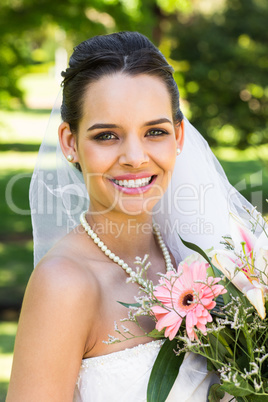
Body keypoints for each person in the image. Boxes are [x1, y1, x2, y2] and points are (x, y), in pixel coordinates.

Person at [7, 31, 252, 401]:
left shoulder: (204, 255)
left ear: (179, 136)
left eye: (155, 131)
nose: (135, 157)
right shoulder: (64, 285)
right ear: (70, 143)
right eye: (107, 136)